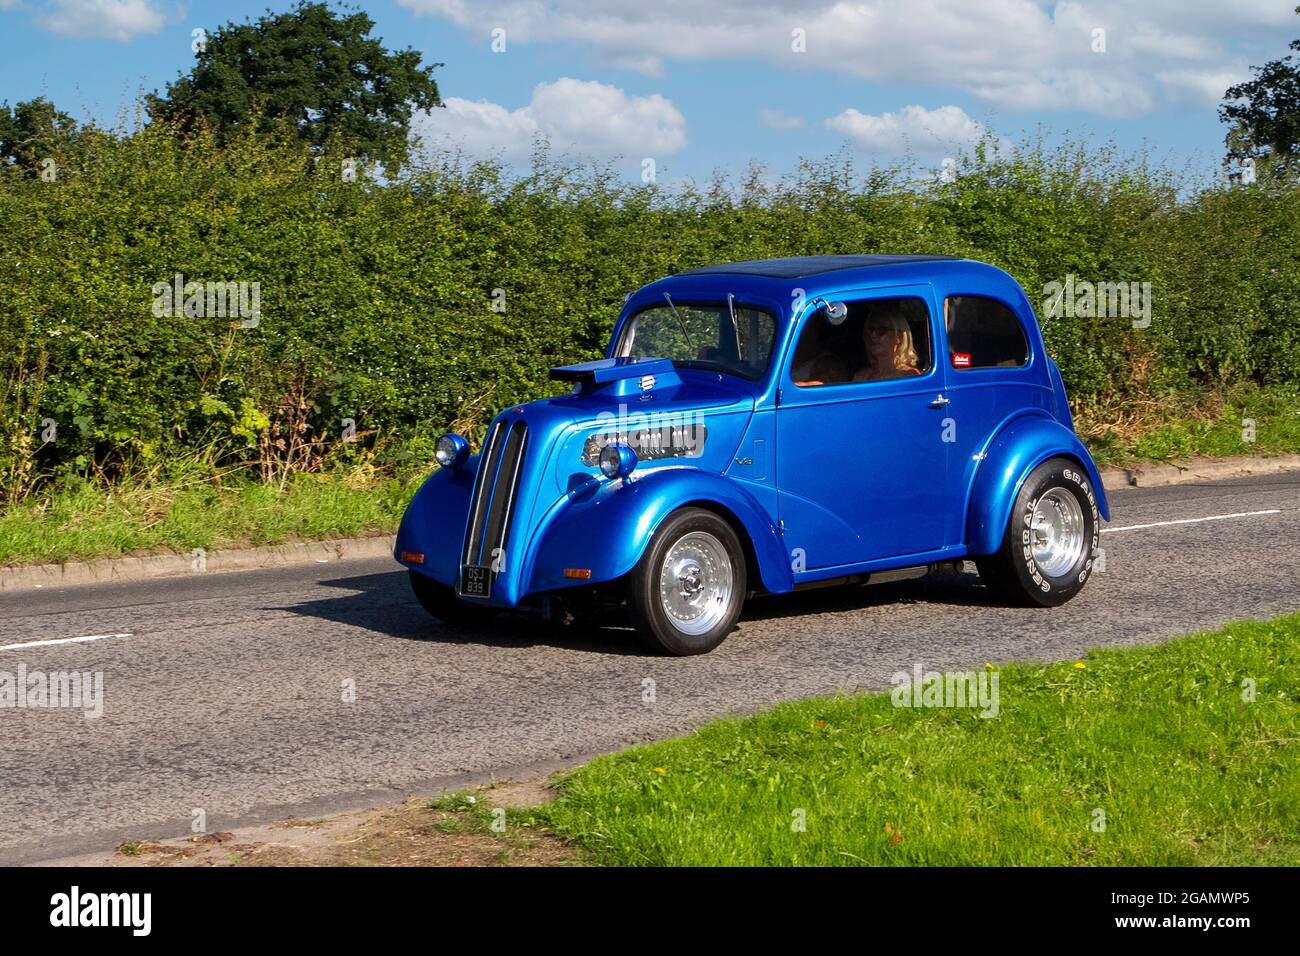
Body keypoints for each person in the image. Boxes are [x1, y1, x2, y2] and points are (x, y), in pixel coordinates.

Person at [854, 311, 922, 382]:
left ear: (899, 337)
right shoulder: (861, 376)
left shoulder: (910, 375)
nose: (873, 335)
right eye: (870, 330)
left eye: (881, 330)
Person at [792, 318, 849, 386]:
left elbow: (822, 386)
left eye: (809, 333)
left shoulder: (828, 362)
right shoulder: (784, 357)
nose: (803, 341)